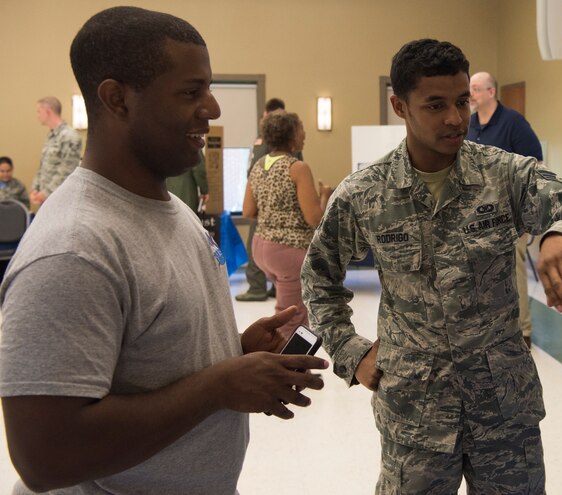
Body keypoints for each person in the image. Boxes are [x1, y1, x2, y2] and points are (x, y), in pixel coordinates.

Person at [0, 7, 327, 494]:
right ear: (117, 99)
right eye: (192, 92)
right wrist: (219, 387)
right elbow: (47, 455)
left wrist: (233, 355)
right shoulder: (73, 249)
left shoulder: (170, 209)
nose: (213, 109)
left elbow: (149, 361)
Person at [301, 39, 562, 494]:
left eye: (461, 102)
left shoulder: (505, 175)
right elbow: (317, 276)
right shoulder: (365, 194)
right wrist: (350, 352)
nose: (454, 118)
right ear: (400, 106)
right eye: (435, 105)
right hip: (415, 417)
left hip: (504, 413)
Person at [467, 71, 544, 348]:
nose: (471, 95)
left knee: (513, 269)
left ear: (490, 92)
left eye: (476, 89)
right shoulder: (470, 124)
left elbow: (536, 163)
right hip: (475, 214)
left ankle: (522, 331)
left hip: (511, 212)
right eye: (470, 89)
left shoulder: (513, 123)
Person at [243, 111, 332, 333]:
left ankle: (293, 366)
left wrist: (274, 216)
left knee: (287, 311)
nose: (305, 134)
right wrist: (325, 195)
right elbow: (314, 219)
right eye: (301, 128)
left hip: (261, 248)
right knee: (293, 318)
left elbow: (248, 211)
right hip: (288, 252)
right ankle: (291, 367)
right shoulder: (298, 168)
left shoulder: (259, 166)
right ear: (291, 135)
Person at [236, 97, 293, 302]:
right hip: (271, 205)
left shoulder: (270, 142)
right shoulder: (277, 142)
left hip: (269, 206)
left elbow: (255, 172)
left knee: (262, 245)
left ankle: (260, 288)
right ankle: (268, 287)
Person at [30, 96, 82, 206]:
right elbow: (42, 166)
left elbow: (67, 170)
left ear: (47, 111)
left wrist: (46, 193)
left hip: (61, 200)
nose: (37, 116)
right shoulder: (51, 136)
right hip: (46, 200)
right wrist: (35, 189)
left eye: (39, 112)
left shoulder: (70, 136)